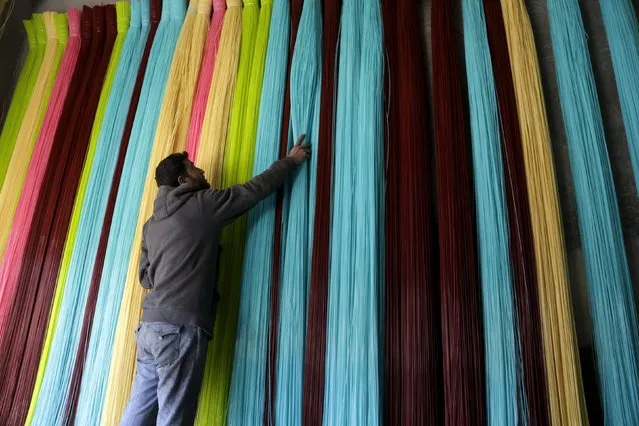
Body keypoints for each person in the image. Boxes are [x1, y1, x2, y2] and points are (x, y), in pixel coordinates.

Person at [120, 135, 311, 425]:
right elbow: (252, 191)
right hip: (179, 329)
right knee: (173, 416)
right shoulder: (202, 205)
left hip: (149, 328)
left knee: (139, 409)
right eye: (194, 168)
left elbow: (146, 278)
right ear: (184, 180)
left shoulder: (151, 225)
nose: (202, 172)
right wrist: (291, 161)